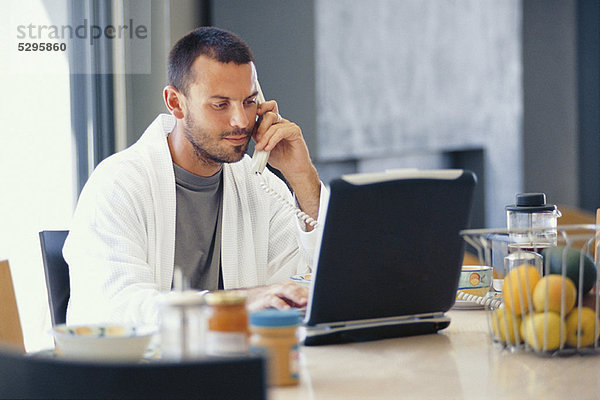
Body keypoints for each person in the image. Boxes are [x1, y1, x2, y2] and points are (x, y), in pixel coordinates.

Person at [63, 26, 328, 326]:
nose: (241, 120)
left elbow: (314, 281)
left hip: (238, 365)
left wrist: (302, 177)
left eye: (249, 101)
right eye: (220, 104)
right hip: (148, 371)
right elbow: (117, 308)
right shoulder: (117, 185)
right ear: (176, 103)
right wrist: (237, 304)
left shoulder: (258, 184)